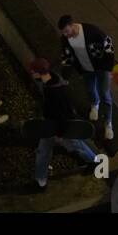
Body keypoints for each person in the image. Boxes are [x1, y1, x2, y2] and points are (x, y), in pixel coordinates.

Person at [27, 57, 99, 194]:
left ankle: (41, 181)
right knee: (68, 145)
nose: (31, 72)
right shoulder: (53, 82)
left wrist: (58, 134)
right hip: (55, 125)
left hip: (56, 126)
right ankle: (93, 161)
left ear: (38, 72)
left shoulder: (53, 91)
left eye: (32, 70)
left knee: (51, 149)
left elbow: (62, 115)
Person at [58, 15, 117, 141]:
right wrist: (65, 75)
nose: (66, 35)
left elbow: (109, 47)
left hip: (102, 69)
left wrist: (108, 67)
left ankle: (108, 124)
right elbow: (66, 57)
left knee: (105, 95)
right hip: (86, 70)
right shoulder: (65, 39)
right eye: (63, 33)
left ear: (72, 25)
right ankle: (95, 104)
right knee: (90, 89)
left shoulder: (93, 32)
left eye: (67, 31)